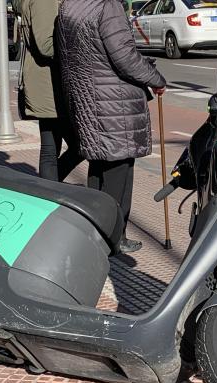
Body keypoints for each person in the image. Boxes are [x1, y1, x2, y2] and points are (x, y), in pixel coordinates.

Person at [57, 0, 166, 254]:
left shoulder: (69, 6)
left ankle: (94, 231)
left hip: (87, 98)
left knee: (98, 167)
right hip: (114, 103)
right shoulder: (108, 6)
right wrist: (155, 78)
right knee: (119, 173)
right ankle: (113, 237)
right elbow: (124, 57)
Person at [14, 0, 83, 182]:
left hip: (48, 82)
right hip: (49, 83)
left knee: (52, 148)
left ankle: (47, 189)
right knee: (78, 144)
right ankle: (48, 191)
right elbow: (47, 45)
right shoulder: (44, 1)